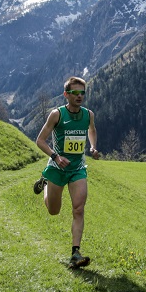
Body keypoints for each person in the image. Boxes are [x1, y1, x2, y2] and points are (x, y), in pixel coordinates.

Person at [33, 76, 101, 269]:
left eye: (82, 93)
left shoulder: (89, 115)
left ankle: (75, 253)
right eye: (75, 93)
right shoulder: (57, 114)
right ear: (66, 95)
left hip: (78, 168)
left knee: (79, 209)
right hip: (57, 168)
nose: (80, 96)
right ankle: (45, 183)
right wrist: (55, 157)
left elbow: (92, 130)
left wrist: (93, 147)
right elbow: (40, 140)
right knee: (53, 211)